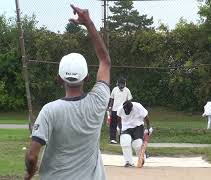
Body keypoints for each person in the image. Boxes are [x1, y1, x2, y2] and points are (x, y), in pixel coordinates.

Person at [24, 5, 111, 180]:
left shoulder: (50, 110)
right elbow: (105, 61)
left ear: (59, 78)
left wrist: (30, 173)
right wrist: (88, 23)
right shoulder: (99, 101)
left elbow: (32, 156)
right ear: (87, 77)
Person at [117, 100, 153, 167]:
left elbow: (146, 117)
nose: (126, 112)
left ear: (132, 108)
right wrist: (119, 129)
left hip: (137, 126)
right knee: (125, 141)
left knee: (137, 144)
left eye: (128, 111)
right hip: (126, 127)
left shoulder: (138, 106)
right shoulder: (120, 109)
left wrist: (148, 128)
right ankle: (128, 162)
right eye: (125, 111)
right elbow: (118, 119)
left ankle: (141, 158)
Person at [107, 78, 133, 144]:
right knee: (113, 125)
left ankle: (122, 139)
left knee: (122, 125)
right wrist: (110, 107)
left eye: (122, 84)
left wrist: (127, 107)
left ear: (125, 84)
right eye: (120, 84)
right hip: (114, 110)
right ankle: (112, 139)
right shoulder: (115, 89)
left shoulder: (127, 90)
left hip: (123, 111)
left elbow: (129, 100)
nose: (121, 86)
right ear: (117, 84)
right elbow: (112, 99)